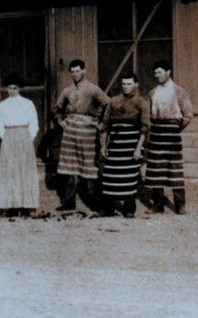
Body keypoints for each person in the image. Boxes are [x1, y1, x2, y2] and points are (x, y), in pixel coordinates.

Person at [52, 59, 110, 213]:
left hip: (88, 132)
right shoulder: (67, 91)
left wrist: (100, 122)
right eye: (72, 71)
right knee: (69, 169)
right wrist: (60, 120)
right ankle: (68, 203)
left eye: (78, 71)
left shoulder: (93, 89)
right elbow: (57, 108)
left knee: (90, 167)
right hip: (70, 131)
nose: (75, 74)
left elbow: (108, 105)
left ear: (84, 71)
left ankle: (95, 204)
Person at [145, 60, 194, 214]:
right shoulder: (152, 93)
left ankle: (180, 205)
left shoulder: (180, 91)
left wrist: (175, 129)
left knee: (175, 170)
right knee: (155, 169)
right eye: (155, 73)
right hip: (156, 133)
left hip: (172, 134)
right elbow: (148, 116)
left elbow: (188, 116)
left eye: (160, 72)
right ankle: (158, 205)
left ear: (168, 72)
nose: (157, 75)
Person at [99, 72, 150, 218]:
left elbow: (145, 128)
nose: (126, 87)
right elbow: (105, 126)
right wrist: (104, 146)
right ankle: (109, 208)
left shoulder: (142, 102)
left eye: (129, 84)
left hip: (131, 144)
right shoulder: (113, 101)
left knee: (130, 176)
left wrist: (138, 148)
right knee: (110, 174)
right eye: (124, 84)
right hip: (115, 144)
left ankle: (129, 209)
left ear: (136, 85)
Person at [0, 73, 40, 217]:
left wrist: (28, 138)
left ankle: (26, 205)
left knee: (25, 170)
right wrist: (6, 137)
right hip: (9, 136)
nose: (12, 91)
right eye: (10, 88)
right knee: (11, 171)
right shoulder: (2, 105)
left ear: (19, 89)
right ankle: (12, 205)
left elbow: (34, 123)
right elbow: (0, 124)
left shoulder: (27, 103)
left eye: (15, 88)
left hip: (24, 136)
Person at [37, 116, 64, 195]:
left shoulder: (50, 134)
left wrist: (46, 160)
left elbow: (41, 149)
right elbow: (41, 149)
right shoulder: (52, 134)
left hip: (53, 164)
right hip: (62, 164)